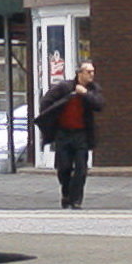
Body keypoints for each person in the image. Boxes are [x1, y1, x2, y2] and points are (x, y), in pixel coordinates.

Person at [37, 61, 104, 209]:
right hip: (64, 133)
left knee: (81, 168)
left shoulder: (93, 89)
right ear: (79, 73)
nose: (92, 75)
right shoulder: (64, 87)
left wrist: (85, 93)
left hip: (81, 134)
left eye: (93, 72)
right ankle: (66, 193)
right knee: (64, 168)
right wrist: (52, 119)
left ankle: (76, 199)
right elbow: (46, 102)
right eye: (88, 72)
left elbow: (99, 105)